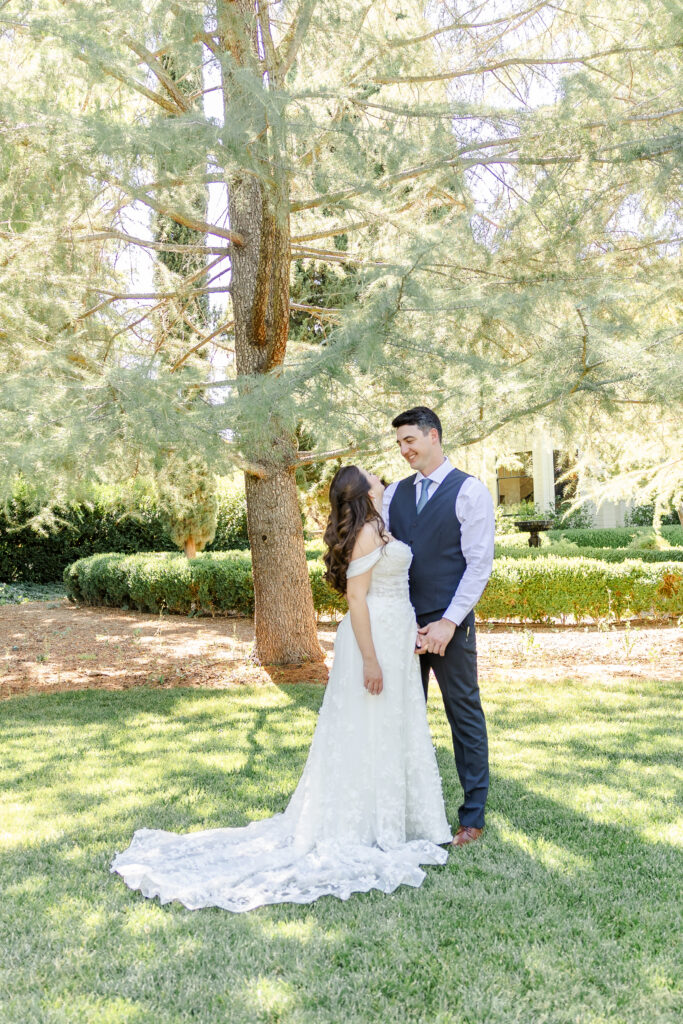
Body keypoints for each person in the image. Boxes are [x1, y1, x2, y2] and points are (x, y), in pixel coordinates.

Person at [111, 465, 451, 912]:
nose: (383, 482)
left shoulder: (377, 527)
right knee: (368, 725)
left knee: (390, 726)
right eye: (376, 479)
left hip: (394, 633)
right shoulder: (368, 532)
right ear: (365, 492)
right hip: (375, 641)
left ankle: (392, 817)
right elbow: (356, 599)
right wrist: (371, 658)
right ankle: (365, 824)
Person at [383, 407, 495, 847]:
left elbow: (479, 565)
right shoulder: (394, 494)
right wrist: (404, 623)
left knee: (464, 717)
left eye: (410, 440)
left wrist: (448, 623)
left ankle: (473, 816)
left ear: (433, 436)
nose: (405, 450)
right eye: (399, 444)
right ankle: (399, 814)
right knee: (400, 719)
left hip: (451, 628)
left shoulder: (469, 492)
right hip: (404, 629)